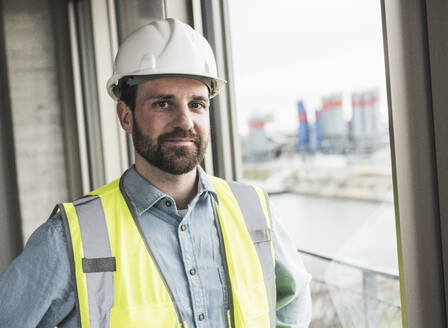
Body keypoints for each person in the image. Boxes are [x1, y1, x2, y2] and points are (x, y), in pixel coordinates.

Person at [0, 18, 311, 327]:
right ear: (126, 116)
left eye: (197, 104)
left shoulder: (254, 211)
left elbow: (293, 302)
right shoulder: (71, 237)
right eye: (163, 104)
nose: (185, 121)